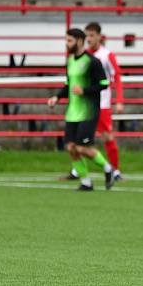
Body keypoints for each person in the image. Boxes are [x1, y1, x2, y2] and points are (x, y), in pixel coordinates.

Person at [48, 28, 115, 191]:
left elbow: (104, 84)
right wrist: (57, 97)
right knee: (71, 147)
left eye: (69, 40)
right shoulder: (70, 61)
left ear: (79, 41)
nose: (67, 44)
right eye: (66, 40)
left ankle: (108, 168)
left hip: (88, 111)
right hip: (73, 111)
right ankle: (86, 182)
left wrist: (84, 91)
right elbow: (68, 85)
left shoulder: (92, 61)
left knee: (82, 148)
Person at [62, 22, 124, 181]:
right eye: (87, 35)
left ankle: (115, 171)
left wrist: (119, 101)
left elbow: (116, 77)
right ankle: (79, 172)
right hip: (83, 106)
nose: (89, 39)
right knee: (76, 142)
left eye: (92, 35)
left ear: (99, 36)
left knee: (107, 137)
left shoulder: (106, 55)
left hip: (102, 103)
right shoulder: (82, 56)